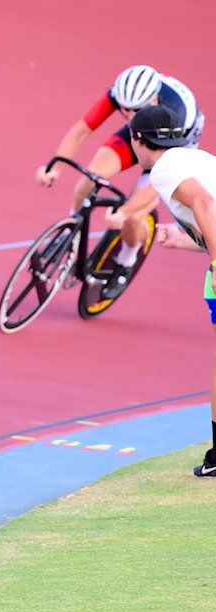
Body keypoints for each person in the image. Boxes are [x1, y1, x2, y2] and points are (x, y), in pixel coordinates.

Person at [36, 65, 205, 299]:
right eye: (124, 110)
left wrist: (126, 211)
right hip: (137, 135)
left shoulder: (177, 114)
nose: (127, 115)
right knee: (90, 177)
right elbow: (82, 129)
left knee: (133, 215)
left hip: (168, 146)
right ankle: (70, 235)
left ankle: (126, 261)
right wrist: (55, 167)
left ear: (153, 99)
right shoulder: (121, 93)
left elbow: (160, 183)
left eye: (135, 110)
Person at [117, 106, 216, 478]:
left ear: (139, 140)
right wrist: (185, 241)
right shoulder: (197, 157)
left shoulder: (162, 169)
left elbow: (205, 204)